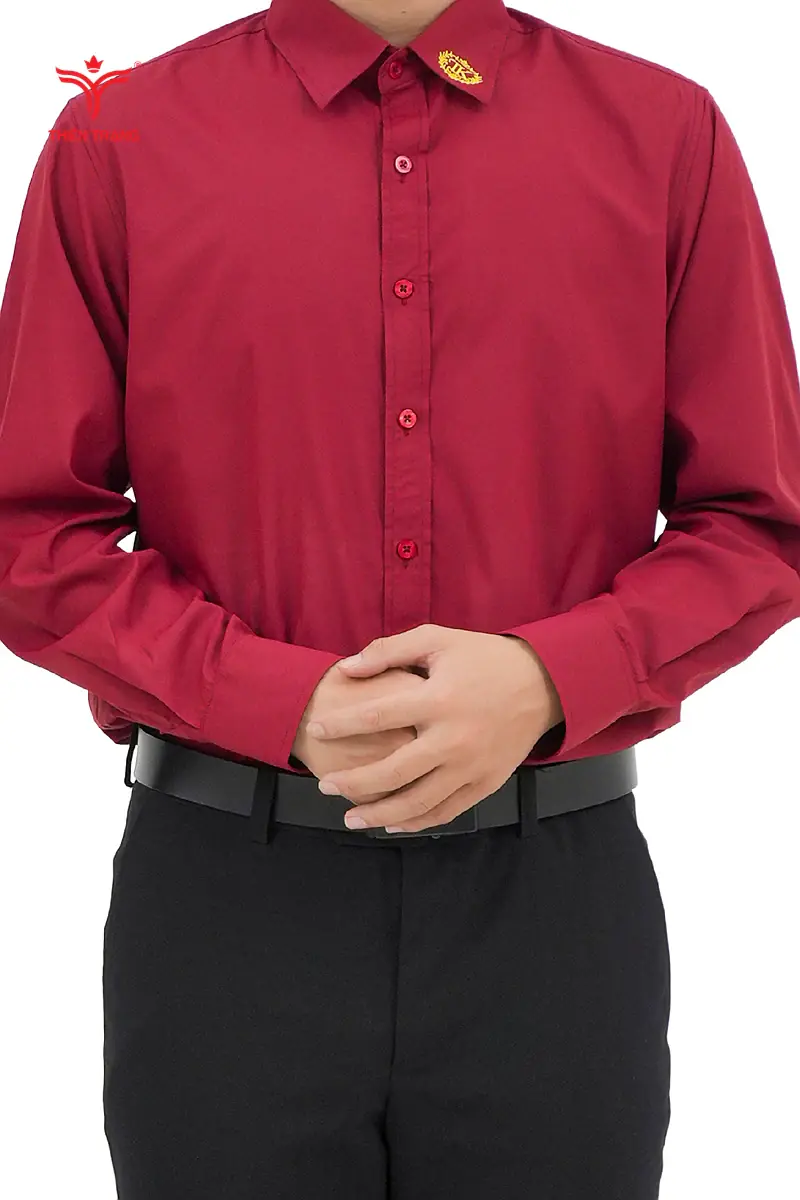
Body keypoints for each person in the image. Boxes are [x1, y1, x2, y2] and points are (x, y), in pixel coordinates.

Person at [1, 0, 799, 1196]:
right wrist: (271, 697)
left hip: (550, 912)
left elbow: (757, 522)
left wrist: (546, 679)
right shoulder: (117, 136)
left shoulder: (664, 132)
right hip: (224, 903)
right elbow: (27, 531)